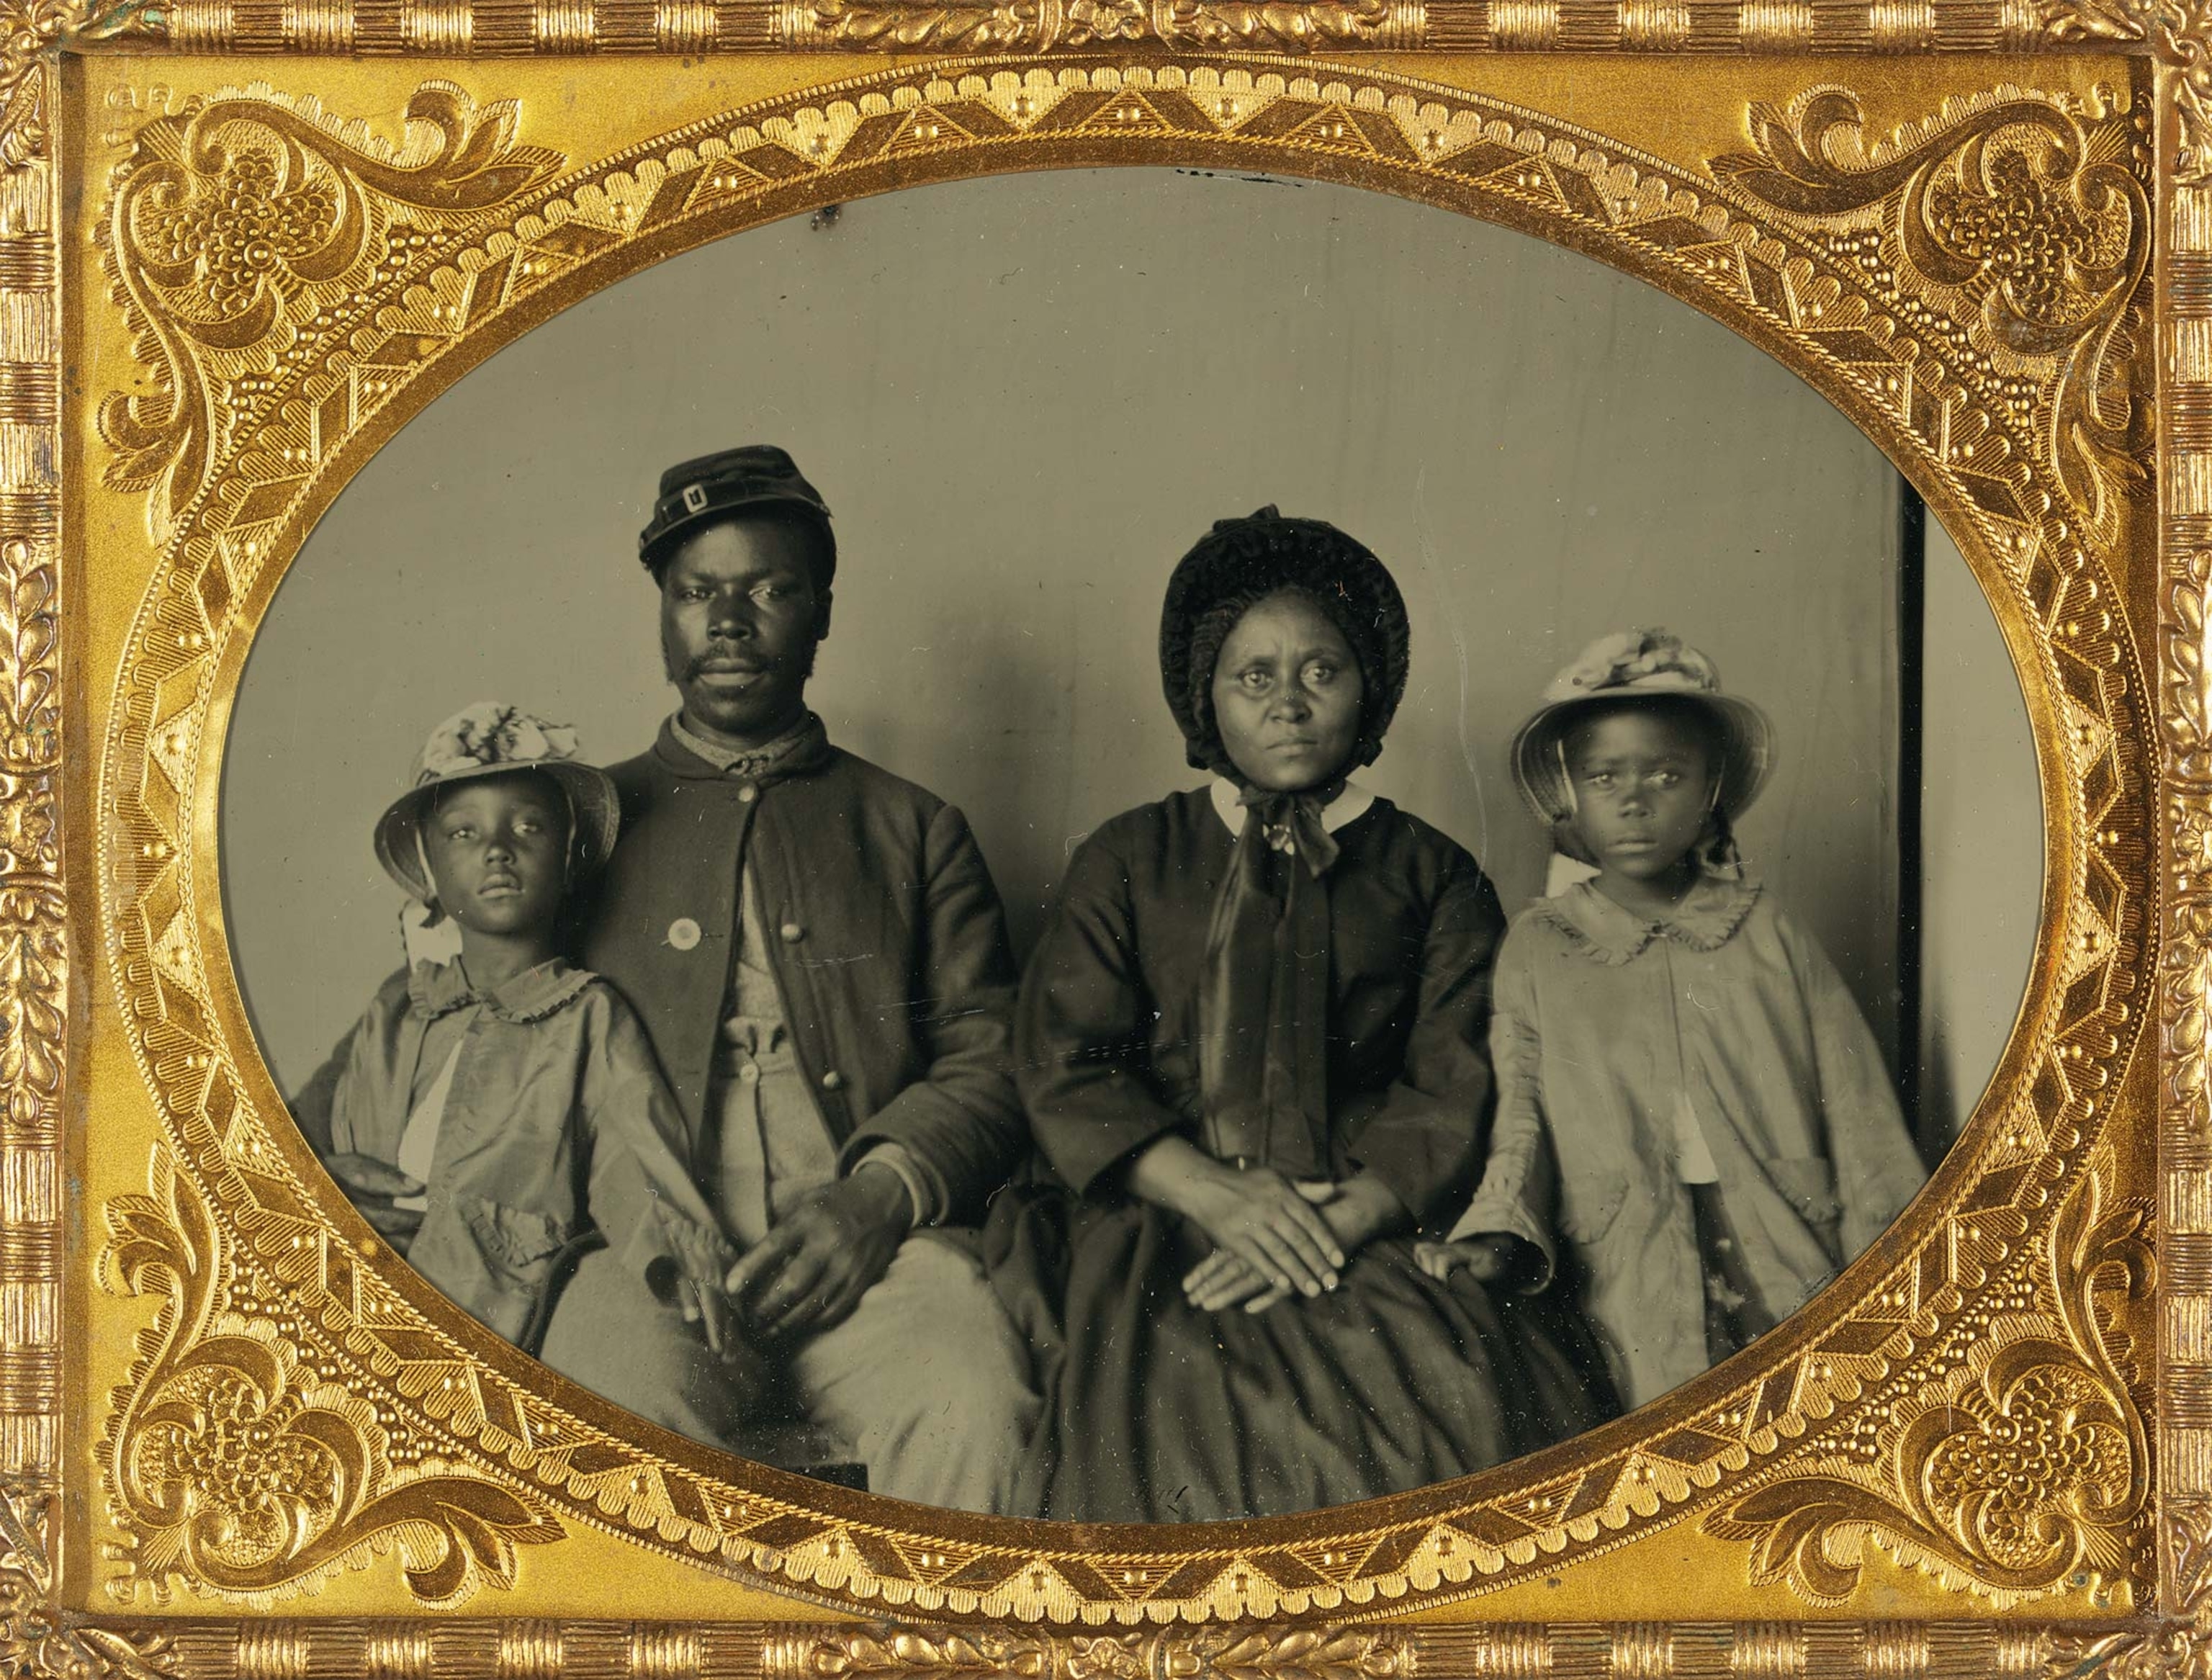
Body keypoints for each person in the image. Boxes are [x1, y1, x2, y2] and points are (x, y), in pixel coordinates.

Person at [989, 506, 1612, 1524]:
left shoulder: (1432, 873)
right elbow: (1066, 1061)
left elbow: (1461, 1073)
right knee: (1161, 1438)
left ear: (1370, 688)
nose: (1289, 703)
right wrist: (1216, 1194)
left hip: (1369, 1215)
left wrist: (1346, 1216)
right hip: (1166, 1211)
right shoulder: (1129, 857)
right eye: (1254, 676)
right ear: (1206, 693)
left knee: (1454, 1415)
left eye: (1322, 671)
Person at [543, 445, 1036, 1511]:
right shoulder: (579, 827)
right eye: (697, 593)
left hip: (878, 1254)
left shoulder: (913, 826)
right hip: (642, 1256)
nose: (730, 622)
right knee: (606, 1414)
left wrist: (878, 1196)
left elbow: (994, 1058)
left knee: (974, 1400)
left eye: (770, 590)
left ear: (821, 614)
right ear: (663, 616)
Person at [1418, 629, 1928, 1411]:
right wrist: (1495, 1227)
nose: (1635, 800)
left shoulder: (1765, 928)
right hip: (1625, 1252)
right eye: (1604, 776)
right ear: (1571, 793)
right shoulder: (1541, 944)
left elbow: (1858, 1108)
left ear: (1709, 790)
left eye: (1666, 774)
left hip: (1783, 1234)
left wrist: (1899, 1264)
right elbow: (1522, 1110)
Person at [315, 703, 762, 1424]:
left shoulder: (586, 1015)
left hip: (496, 1301)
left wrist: (677, 1255)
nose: (498, 849)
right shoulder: (399, 1008)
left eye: (528, 827)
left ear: (568, 857)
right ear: (428, 868)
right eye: (465, 833)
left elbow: (634, 1159)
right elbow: (321, 1135)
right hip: (360, 1289)